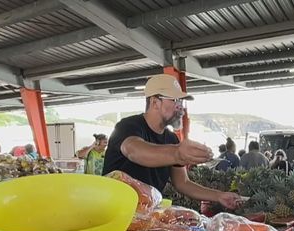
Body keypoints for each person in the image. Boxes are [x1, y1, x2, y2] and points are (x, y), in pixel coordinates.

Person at [102, 74, 242, 209]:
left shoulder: (172, 139)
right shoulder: (128, 126)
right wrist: (177, 153)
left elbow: (183, 183)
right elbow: (134, 150)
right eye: (175, 100)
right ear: (155, 102)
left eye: (181, 101)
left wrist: (219, 196)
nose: (181, 107)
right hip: (114, 211)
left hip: (146, 214)